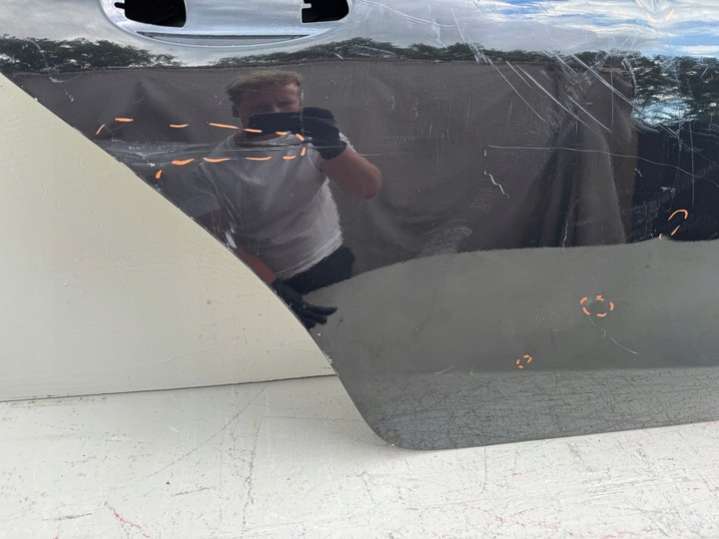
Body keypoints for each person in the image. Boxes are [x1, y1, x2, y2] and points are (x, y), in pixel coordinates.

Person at [166, 71, 382, 329]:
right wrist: (273, 287)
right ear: (236, 111)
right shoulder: (211, 169)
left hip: (329, 259)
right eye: (261, 108)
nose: (274, 113)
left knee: (345, 332)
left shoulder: (314, 140)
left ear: (300, 102)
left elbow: (367, 189)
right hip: (261, 277)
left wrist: (334, 147)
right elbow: (218, 239)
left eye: (285, 103)